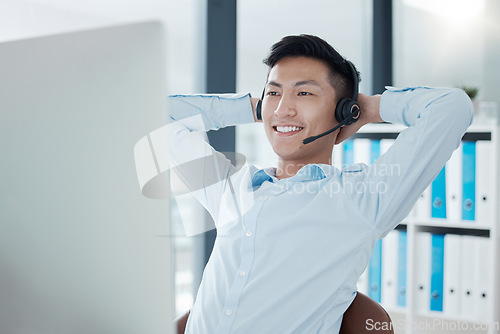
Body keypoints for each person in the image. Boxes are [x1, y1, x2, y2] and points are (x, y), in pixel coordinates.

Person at [167, 35, 473, 333]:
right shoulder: (232, 188)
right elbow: (159, 115)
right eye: (274, 93)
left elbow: (451, 107)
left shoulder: (361, 199)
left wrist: (368, 108)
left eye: (304, 94)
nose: (283, 108)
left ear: (342, 111)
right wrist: (254, 108)